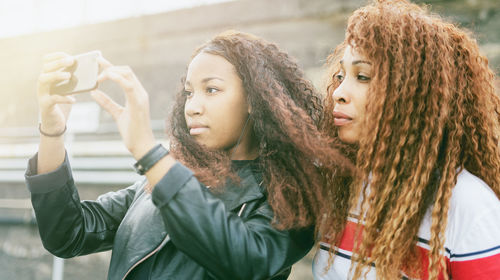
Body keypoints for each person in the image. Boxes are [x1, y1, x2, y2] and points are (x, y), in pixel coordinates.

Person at [26, 31, 352, 279]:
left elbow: (247, 261)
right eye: (189, 93)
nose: (192, 107)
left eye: (211, 89)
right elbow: (68, 235)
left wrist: (149, 153)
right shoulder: (164, 177)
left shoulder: (290, 194)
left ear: (255, 98)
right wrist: (52, 130)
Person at [313, 1, 500, 279]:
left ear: (412, 95)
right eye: (341, 76)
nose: (338, 92)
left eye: (362, 76)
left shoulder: (470, 208)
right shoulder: (344, 184)